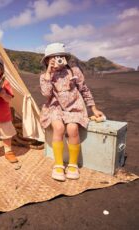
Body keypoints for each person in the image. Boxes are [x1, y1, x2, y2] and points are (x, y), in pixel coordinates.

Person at [40, 43, 104, 181]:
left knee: (73, 128)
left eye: (60, 56)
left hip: (74, 107)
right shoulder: (45, 76)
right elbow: (46, 94)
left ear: (65, 58)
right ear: (46, 60)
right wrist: (48, 73)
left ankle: (73, 164)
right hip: (55, 107)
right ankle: (58, 164)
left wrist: (93, 108)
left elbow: (84, 90)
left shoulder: (75, 71)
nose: (57, 59)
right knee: (58, 127)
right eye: (52, 57)